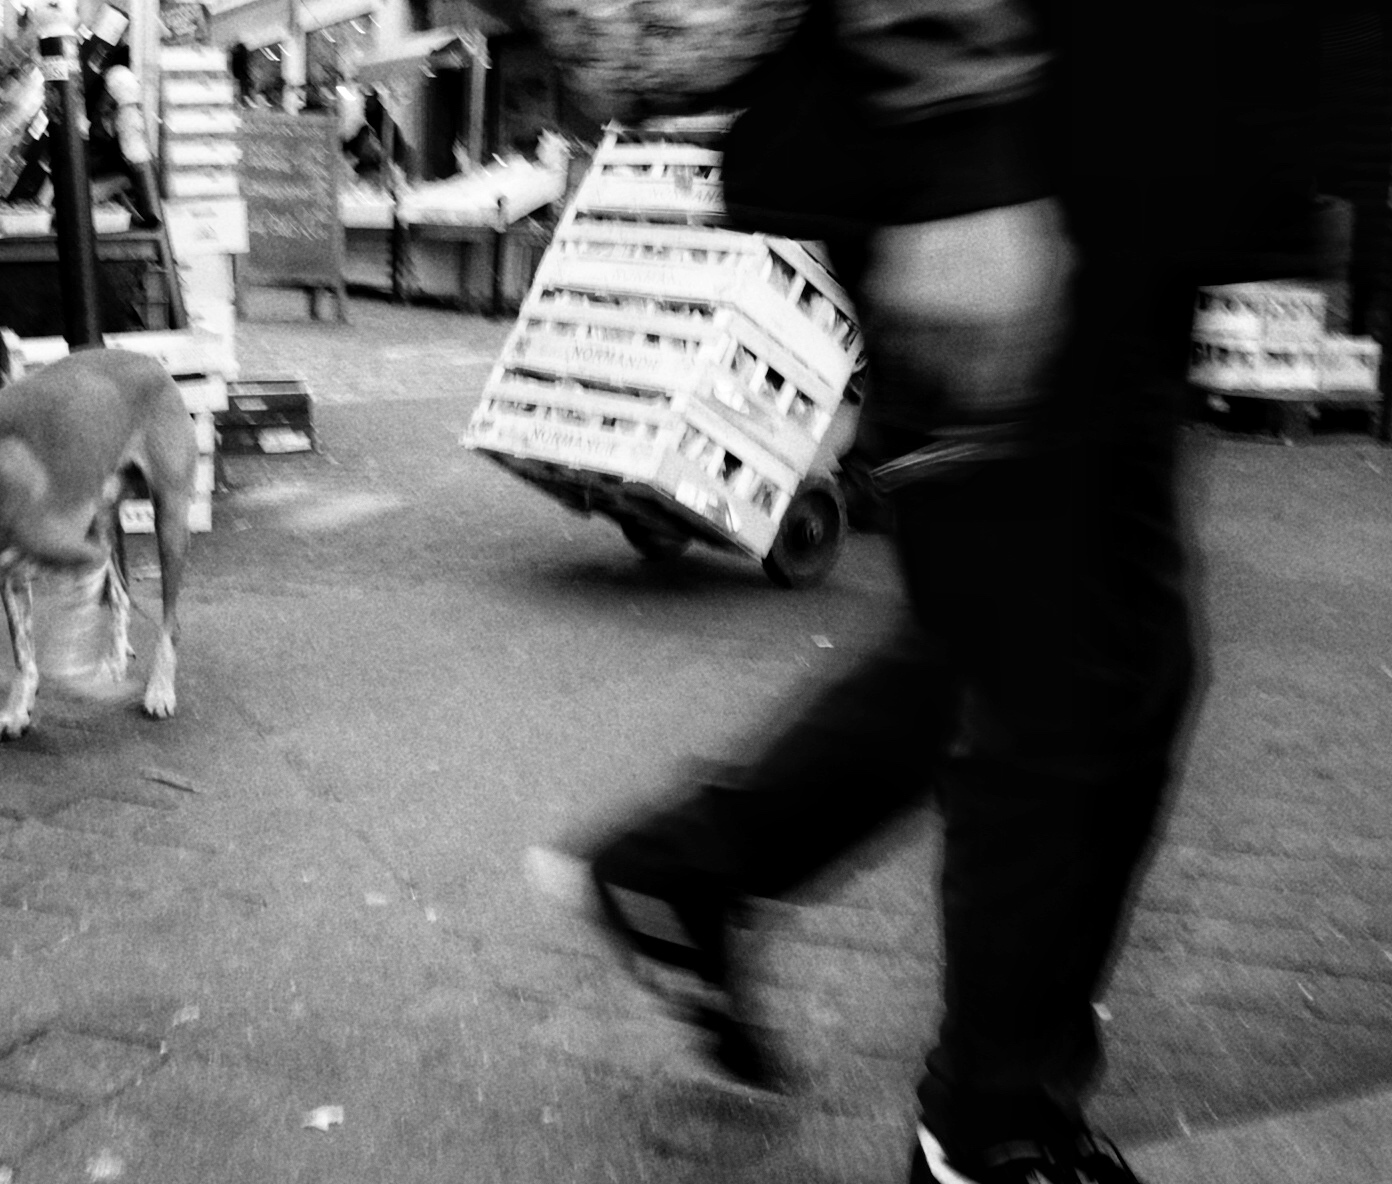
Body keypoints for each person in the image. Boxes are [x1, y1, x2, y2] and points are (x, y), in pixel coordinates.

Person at [541, 1, 1338, 1182]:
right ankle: (991, 1129)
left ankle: (683, 871)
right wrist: (959, 146)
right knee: (1081, 671)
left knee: (1020, 632)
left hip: (1071, 135)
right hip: (1015, 145)